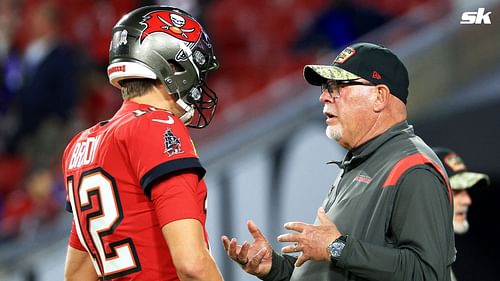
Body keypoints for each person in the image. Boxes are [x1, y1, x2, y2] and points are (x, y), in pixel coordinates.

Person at [222, 42, 455, 281]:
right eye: (325, 87)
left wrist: (336, 247)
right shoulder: (363, 160)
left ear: (379, 96)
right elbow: (338, 270)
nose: (324, 96)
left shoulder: (413, 169)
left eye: (338, 87)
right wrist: (275, 268)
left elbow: (428, 273)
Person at [62, 6, 223, 281]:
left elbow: (77, 274)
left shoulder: (80, 144)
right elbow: (192, 264)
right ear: (173, 66)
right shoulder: (157, 126)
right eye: (197, 67)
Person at [432, 147, 490, 281]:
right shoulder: (412, 262)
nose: (467, 200)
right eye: (456, 190)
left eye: (465, 190)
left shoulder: (441, 255)